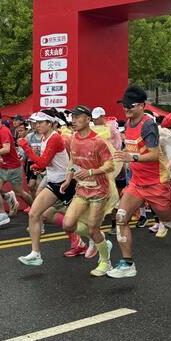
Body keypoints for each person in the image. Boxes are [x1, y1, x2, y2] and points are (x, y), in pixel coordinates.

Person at [109, 88, 171, 280]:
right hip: (137, 183)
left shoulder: (148, 125)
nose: (126, 109)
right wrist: (124, 154)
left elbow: (152, 155)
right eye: (124, 105)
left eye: (130, 105)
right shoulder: (128, 122)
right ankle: (127, 264)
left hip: (155, 184)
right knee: (121, 218)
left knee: (170, 224)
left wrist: (131, 157)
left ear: (142, 105)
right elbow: (135, 148)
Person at [59, 105, 118, 276]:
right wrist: (68, 179)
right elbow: (73, 161)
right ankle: (101, 241)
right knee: (68, 225)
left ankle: (106, 262)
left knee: (93, 228)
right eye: (72, 117)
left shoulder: (98, 141)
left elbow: (110, 165)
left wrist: (91, 172)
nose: (74, 121)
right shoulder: (73, 139)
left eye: (78, 117)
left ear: (88, 119)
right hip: (81, 189)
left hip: (99, 190)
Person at [16, 111, 75, 266]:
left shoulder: (54, 138)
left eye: (40, 122)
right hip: (54, 183)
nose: (37, 125)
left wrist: (26, 147)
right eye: (35, 123)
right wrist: (38, 167)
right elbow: (47, 162)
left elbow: (43, 161)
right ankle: (36, 253)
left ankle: (97, 240)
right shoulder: (44, 137)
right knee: (35, 214)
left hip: (67, 184)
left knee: (77, 221)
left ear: (50, 123)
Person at [0, 110, 33, 226]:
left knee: (20, 192)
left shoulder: (4, 131)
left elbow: (7, 149)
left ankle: (36, 209)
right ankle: (2, 214)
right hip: (2, 167)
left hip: (13, 167)